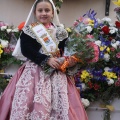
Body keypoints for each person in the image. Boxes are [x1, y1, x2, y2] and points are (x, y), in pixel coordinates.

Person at [0, 0, 88, 120]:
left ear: (53, 13)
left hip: (57, 73)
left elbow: (65, 51)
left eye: (47, 10)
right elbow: (27, 50)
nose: (43, 13)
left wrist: (69, 60)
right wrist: (45, 59)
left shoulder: (61, 32)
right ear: (35, 13)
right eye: (40, 10)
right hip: (33, 73)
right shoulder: (29, 31)